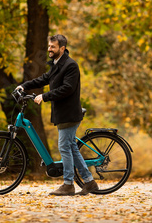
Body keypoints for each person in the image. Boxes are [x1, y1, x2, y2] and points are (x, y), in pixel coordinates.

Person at [16, 34, 99, 196]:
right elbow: (44, 79)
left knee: (64, 147)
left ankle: (68, 184)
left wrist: (45, 96)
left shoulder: (70, 66)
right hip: (62, 114)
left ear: (62, 48)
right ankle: (89, 182)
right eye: (49, 46)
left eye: (53, 47)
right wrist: (24, 86)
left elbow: (67, 88)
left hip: (69, 113)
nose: (49, 49)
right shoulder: (57, 65)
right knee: (71, 148)